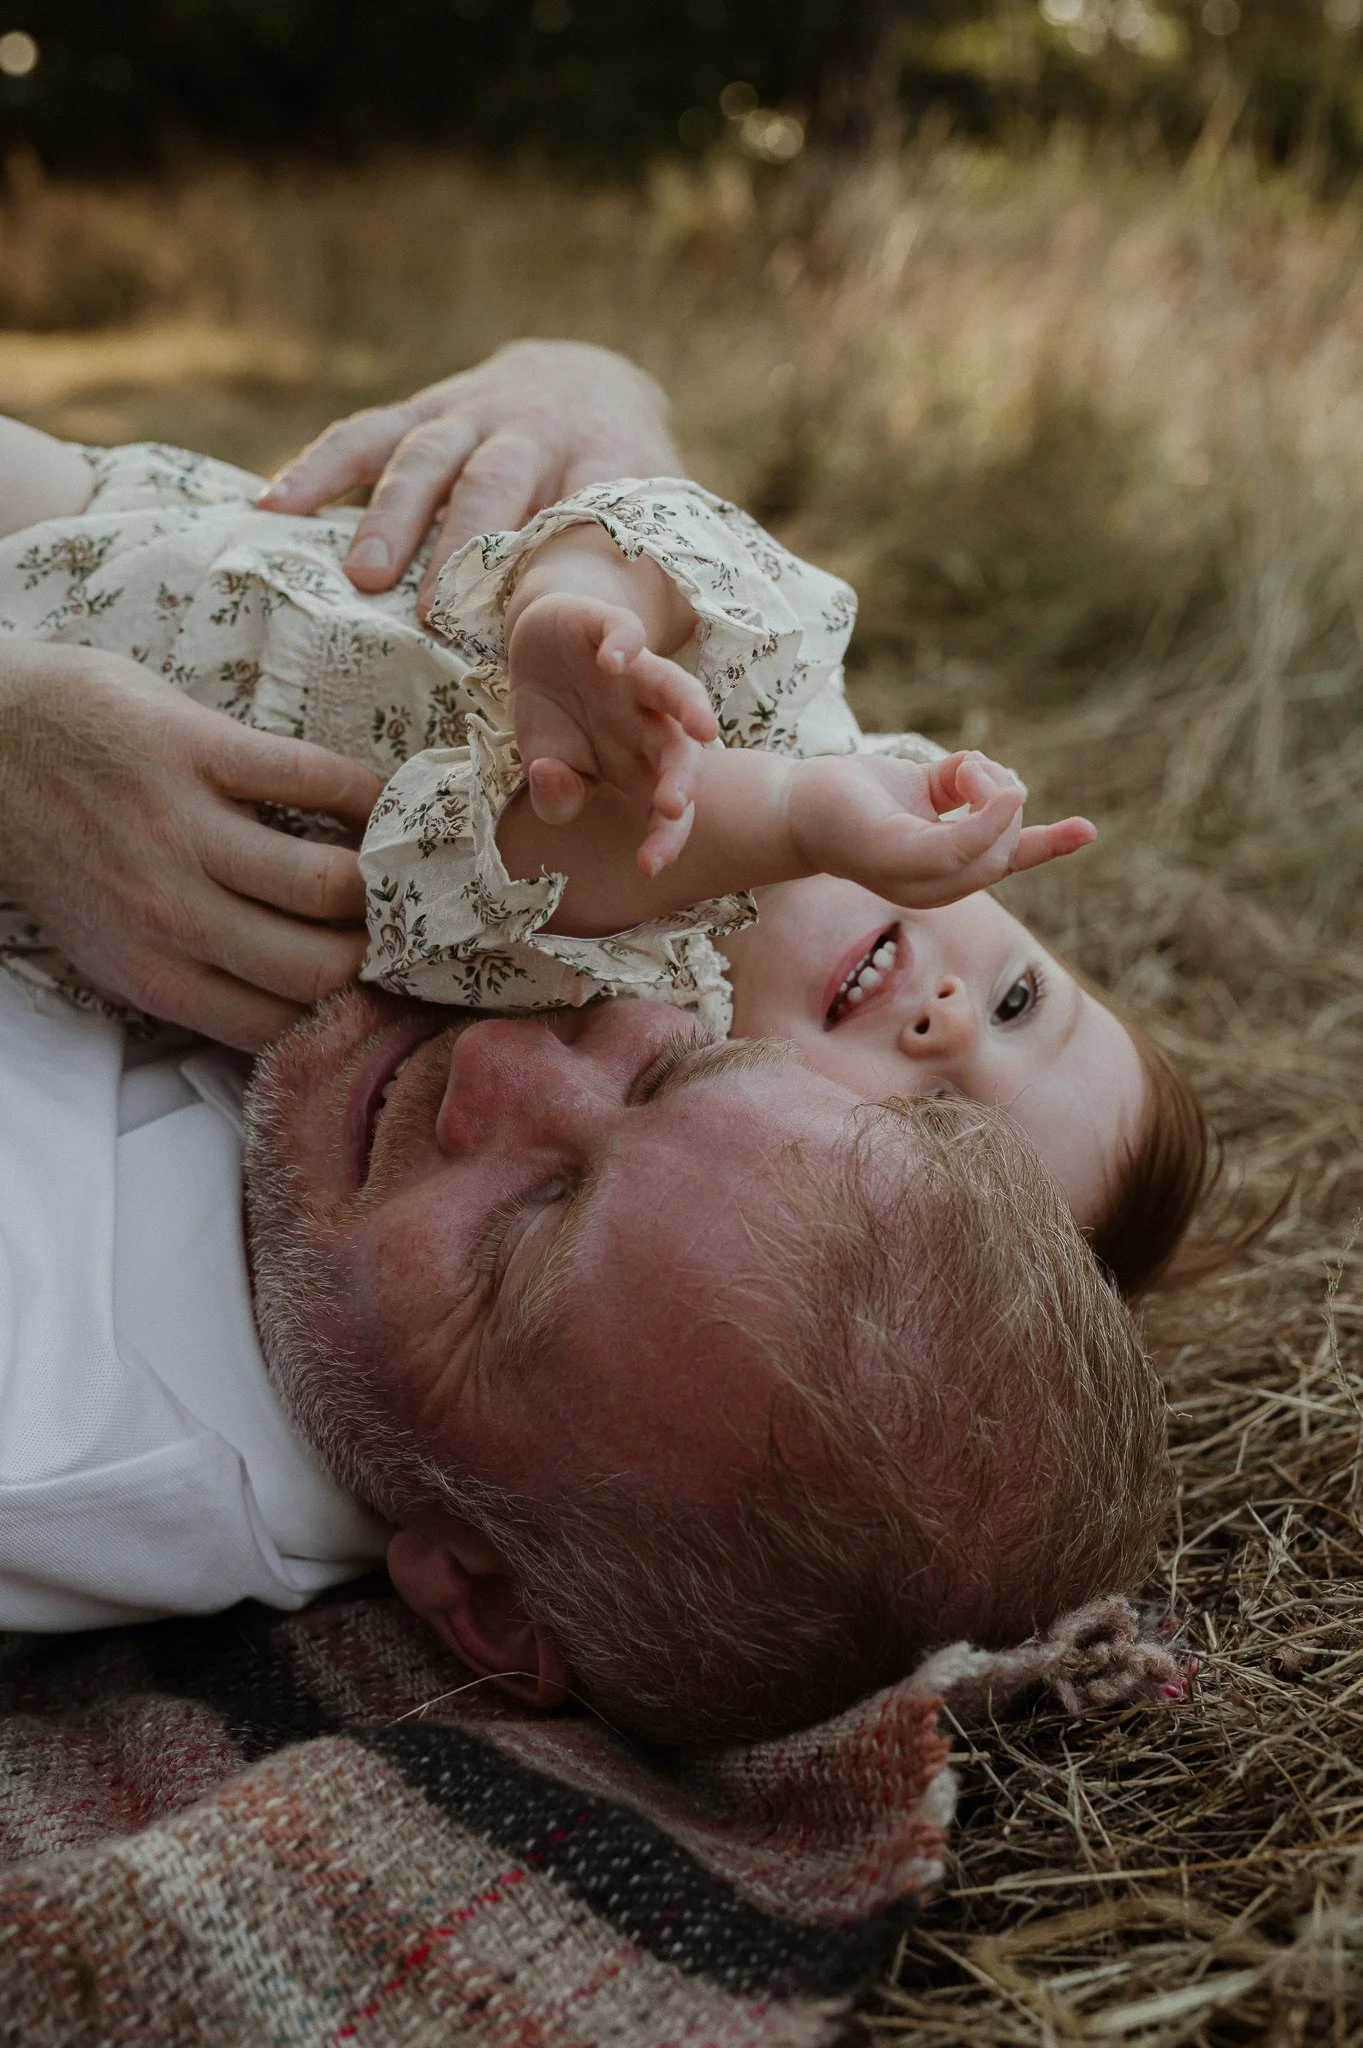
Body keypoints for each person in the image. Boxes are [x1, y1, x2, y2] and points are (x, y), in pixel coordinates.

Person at [0, 353, 1171, 1744]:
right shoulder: (763, 861)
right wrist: (591, 416)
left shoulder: (60, 1406)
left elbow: (463, 866)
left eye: (513, 1242)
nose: (503, 1062)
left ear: (485, 1605)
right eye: (666, 1070)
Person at [0, 416, 1203, 1293]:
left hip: (86, 822)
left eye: (941, 1125)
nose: (949, 1020)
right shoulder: (816, 716)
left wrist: (780, 813)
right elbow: (672, 531)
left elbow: (494, 864)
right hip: (128, 525)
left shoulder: (643, 1031)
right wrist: (571, 602)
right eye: (1017, 997)